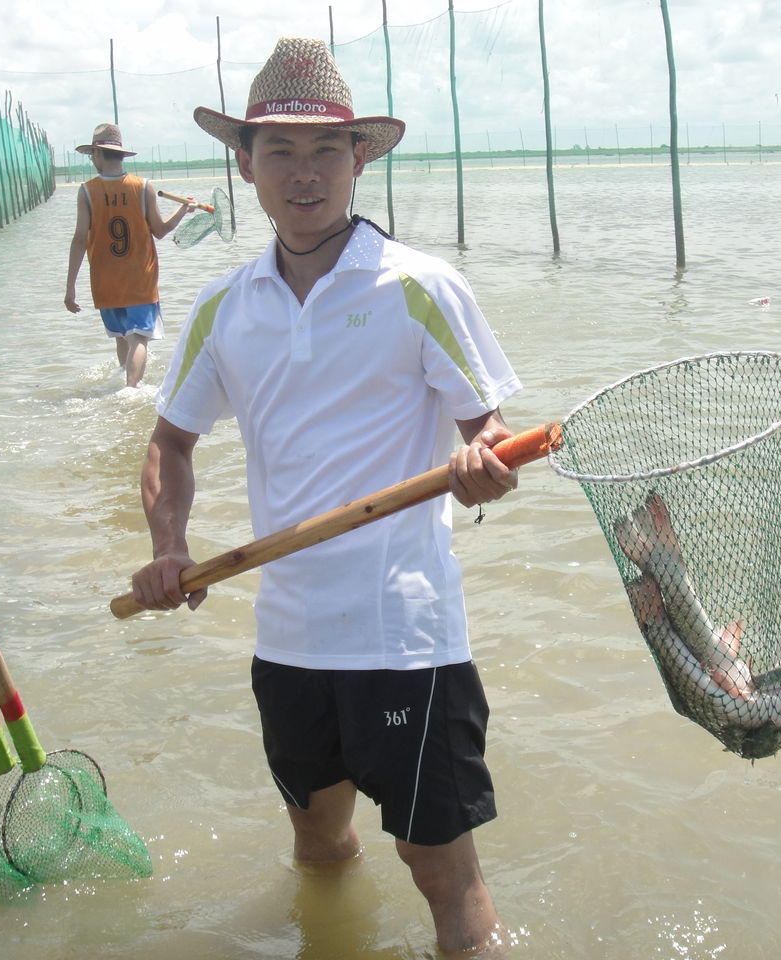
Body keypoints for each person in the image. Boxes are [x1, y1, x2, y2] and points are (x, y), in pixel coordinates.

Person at [128, 37, 522, 954]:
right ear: (245, 165)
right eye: (280, 152)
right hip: (289, 644)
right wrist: (168, 547)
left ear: (358, 159)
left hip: (406, 640)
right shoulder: (224, 307)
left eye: (325, 152)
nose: (304, 175)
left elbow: (489, 437)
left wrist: (483, 469)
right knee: (316, 840)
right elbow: (170, 444)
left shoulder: (420, 287)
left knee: (439, 868)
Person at [64, 123, 195, 389]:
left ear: (99, 154)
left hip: (104, 280)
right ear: (120, 154)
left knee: (122, 337)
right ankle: (131, 390)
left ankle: (125, 380)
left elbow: (80, 239)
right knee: (139, 338)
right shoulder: (142, 186)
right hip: (140, 279)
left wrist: (70, 288)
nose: (92, 160)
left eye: (92, 155)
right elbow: (160, 230)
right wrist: (183, 210)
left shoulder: (87, 191)